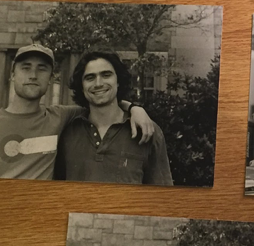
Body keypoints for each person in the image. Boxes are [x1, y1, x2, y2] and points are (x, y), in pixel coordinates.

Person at [0, 44, 153, 179]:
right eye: (26, 67)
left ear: (50, 78)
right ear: (12, 75)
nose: (33, 75)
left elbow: (101, 101)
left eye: (42, 68)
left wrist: (134, 108)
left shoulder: (60, 117)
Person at [53, 51, 173, 185]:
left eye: (106, 75)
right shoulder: (67, 131)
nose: (98, 83)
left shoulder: (147, 130)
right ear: (81, 87)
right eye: (90, 77)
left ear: (118, 81)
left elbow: (162, 196)